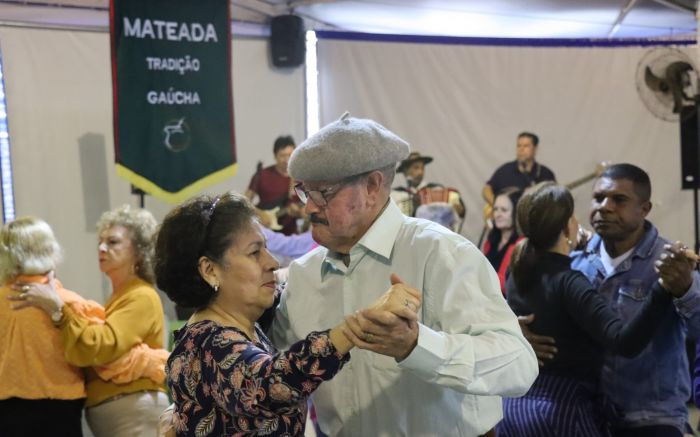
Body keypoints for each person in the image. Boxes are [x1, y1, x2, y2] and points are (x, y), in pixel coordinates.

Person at [271, 112, 538, 437]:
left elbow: (518, 365)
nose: (309, 207)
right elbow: (279, 377)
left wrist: (417, 346)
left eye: (322, 193)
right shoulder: (302, 277)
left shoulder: (442, 254)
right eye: (303, 191)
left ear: (372, 186)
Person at [153, 192, 421, 437]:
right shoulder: (208, 342)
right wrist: (359, 326)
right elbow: (272, 382)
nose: (272, 261)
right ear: (210, 270)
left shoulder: (245, 322)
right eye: (255, 252)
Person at [521, 164, 700, 437]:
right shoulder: (576, 261)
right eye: (598, 198)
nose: (604, 207)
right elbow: (536, 306)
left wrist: (685, 288)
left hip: (650, 418)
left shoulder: (669, 263)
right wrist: (520, 331)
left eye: (619, 199)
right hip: (586, 413)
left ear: (644, 209)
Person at [13, 205, 169, 437]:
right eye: (100, 241)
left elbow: (101, 347)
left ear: (139, 251)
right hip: (118, 411)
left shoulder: (141, 295)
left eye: (113, 242)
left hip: (132, 409)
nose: (102, 248)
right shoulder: (119, 297)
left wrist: (59, 310)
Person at [0, 217, 86, 437]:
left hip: (8, 410)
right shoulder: (71, 303)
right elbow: (98, 348)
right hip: (61, 408)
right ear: (49, 250)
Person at [482, 132, 555, 223]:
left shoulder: (545, 174)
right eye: (519, 146)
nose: (521, 149)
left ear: (535, 149)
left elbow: (554, 200)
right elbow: (486, 189)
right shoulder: (505, 170)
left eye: (526, 146)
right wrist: (498, 205)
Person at [246, 135, 304, 235]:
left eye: (290, 155)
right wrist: (261, 214)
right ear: (275, 156)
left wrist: (299, 213)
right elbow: (244, 201)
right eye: (282, 155)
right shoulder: (262, 175)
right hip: (264, 234)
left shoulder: (300, 178)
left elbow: (305, 210)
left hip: (291, 236)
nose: (286, 160)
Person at [391, 151, 466, 219]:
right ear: (405, 171)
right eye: (416, 168)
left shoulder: (436, 189)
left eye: (422, 168)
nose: (420, 172)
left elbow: (459, 212)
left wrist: (459, 210)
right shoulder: (396, 194)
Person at [481, 188, 524, 294]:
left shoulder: (521, 244)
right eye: (495, 209)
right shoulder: (492, 239)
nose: (497, 214)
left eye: (504, 210)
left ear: (516, 213)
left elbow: (507, 285)